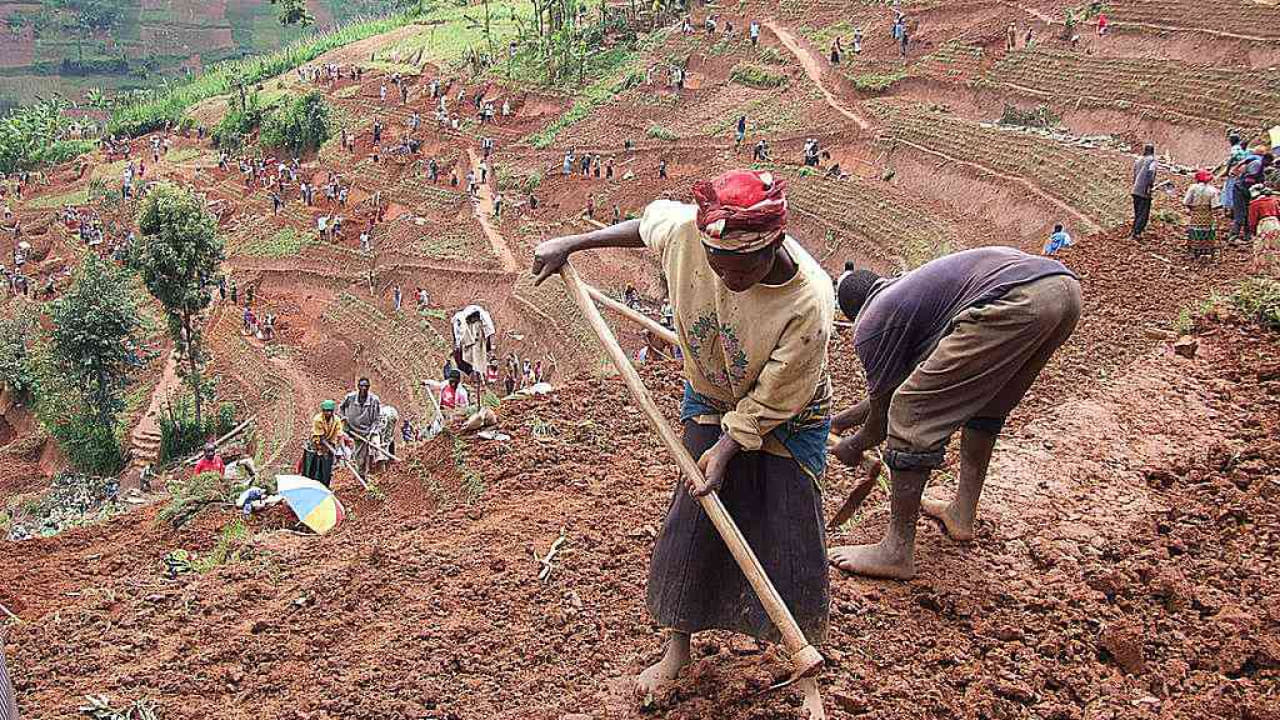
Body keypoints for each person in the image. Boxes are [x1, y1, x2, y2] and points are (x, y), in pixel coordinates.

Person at [531, 169, 832, 718]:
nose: (727, 277)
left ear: (776, 245)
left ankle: (790, 650)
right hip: (711, 393)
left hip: (788, 412)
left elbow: (775, 396)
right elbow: (646, 223)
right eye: (718, 266)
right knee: (692, 523)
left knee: (789, 525)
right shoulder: (692, 233)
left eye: (742, 268)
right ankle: (676, 648)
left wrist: (728, 446)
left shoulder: (808, 303)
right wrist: (571, 244)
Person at [828, 248, 1081, 580]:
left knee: (911, 410)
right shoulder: (906, 297)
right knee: (987, 403)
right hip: (1060, 290)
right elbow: (887, 393)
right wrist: (835, 423)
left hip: (1017, 300)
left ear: (849, 315)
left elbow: (885, 415)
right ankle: (961, 514)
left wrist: (853, 445)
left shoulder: (872, 325)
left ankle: (896, 550)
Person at [339, 378, 382, 475]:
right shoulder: (350, 398)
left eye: (366, 386)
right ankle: (361, 474)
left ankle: (376, 465)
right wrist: (343, 418)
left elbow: (377, 418)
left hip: (368, 431)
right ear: (358, 387)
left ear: (369, 388)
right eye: (361, 386)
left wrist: (372, 431)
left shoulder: (374, 400)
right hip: (353, 430)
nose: (363, 388)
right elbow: (341, 408)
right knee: (359, 457)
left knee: (375, 446)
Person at [303, 399, 346, 487]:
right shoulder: (318, 419)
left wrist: (342, 450)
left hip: (329, 444)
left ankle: (325, 486)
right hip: (316, 445)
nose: (328, 413)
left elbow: (340, 435)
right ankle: (310, 485)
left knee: (326, 470)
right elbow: (321, 438)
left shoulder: (336, 420)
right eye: (326, 411)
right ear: (323, 411)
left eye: (330, 411)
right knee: (313, 469)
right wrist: (333, 451)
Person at [1184, 168, 1221, 258]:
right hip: (1207, 214)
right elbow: (1215, 206)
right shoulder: (1213, 190)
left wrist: (1192, 208)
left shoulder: (1192, 188)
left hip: (1196, 213)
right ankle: (1206, 250)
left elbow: (1186, 202)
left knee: (1195, 229)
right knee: (1207, 230)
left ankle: (1193, 250)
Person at [1248, 183, 1280, 273]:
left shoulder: (1254, 204)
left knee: (1261, 248)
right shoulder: (1273, 200)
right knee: (1275, 247)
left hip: (1264, 225)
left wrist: (1253, 231)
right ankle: (1276, 270)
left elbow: (1252, 220)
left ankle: (1262, 270)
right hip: (1275, 223)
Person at [1131, 144, 1158, 240]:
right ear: (1153, 151)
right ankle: (1137, 233)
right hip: (1144, 190)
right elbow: (1151, 173)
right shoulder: (1152, 160)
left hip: (1135, 189)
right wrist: (1150, 186)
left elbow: (1134, 173)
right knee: (1143, 212)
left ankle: (1134, 230)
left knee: (1138, 212)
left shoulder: (1138, 160)